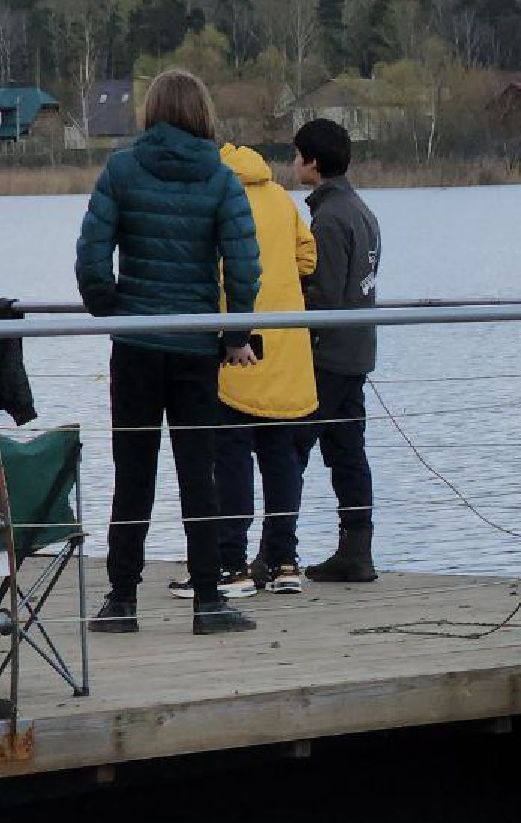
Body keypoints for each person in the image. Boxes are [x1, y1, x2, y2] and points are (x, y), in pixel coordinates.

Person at [75, 68, 261, 635]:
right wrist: (234, 335)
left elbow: (90, 259)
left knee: (134, 474)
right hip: (194, 348)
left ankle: (122, 600)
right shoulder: (220, 176)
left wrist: (112, 309)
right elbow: (245, 266)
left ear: (151, 111)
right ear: (202, 112)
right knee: (197, 473)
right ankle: (208, 599)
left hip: (134, 345)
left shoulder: (123, 168)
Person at [196, 141, 319, 598]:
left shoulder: (216, 196)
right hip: (286, 349)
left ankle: (233, 563)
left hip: (237, 346)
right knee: (281, 457)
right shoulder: (281, 199)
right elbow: (309, 257)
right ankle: (285, 561)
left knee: (230, 457)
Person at [292, 118, 381, 583]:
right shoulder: (362, 210)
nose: (293, 164)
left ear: (312, 161)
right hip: (358, 349)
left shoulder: (327, 217)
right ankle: (357, 546)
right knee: (349, 451)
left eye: (296, 155)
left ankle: (277, 553)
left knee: (293, 449)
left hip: (327, 354)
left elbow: (324, 295)